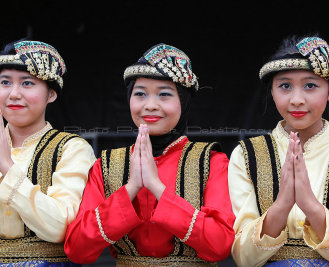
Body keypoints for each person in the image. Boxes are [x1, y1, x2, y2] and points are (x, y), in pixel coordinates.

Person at [64, 43, 235, 266]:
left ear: (184, 101)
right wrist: (130, 189)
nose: (151, 105)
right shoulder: (106, 165)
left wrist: (157, 188)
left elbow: (221, 244)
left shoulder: (211, 162)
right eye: (140, 94)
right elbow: (77, 249)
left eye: (164, 94)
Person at [228, 35, 329, 266]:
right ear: (272, 92)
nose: (297, 99)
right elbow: (242, 257)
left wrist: (309, 204)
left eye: (310, 85)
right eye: (285, 86)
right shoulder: (247, 155)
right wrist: (282, 205)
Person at [0, 39, 96, 265]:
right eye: (5, 82)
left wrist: (6, 168)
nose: (13, 94)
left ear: (51, 94)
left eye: (27, 83)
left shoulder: (71, 149)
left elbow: (60, 227)